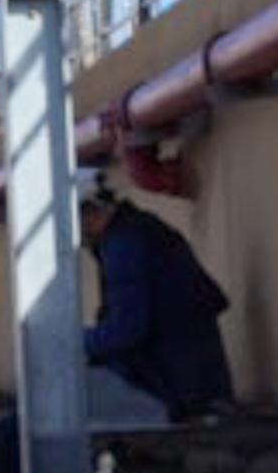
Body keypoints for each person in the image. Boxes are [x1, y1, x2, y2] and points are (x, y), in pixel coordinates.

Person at [78, 166, 235, 420]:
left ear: (89, 212)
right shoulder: (141, 229)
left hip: (175, 392)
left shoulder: (124, 245)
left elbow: (127, 329)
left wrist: (72, 343)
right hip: (199, 387)